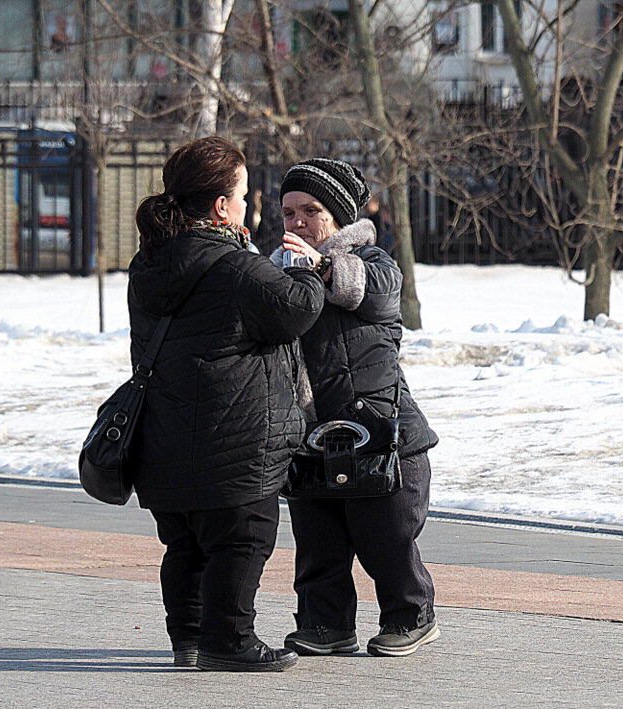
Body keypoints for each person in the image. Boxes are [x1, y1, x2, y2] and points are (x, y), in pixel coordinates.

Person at [128, 137, 326, 672]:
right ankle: (229, 641)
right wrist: (308, 269)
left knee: (185, 545)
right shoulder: (234, 265)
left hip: (164, 438)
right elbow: (296, 308)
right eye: (243, 195)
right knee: (243, 539)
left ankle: (188, 639)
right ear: (221, 205)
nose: (249, 204)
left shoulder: (151, 262)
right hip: (232, 440)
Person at [272, 158, 440, 658]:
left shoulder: (373, 261)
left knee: (385, 537)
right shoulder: (278, 273)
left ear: (339, 216)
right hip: (312, 435)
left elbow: (378, 295)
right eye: (287, 212)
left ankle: (411, 616)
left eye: (310, 210)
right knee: (318, 542)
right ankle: (325, 624)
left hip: (383, 435)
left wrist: (320, 266)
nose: (296, 222)